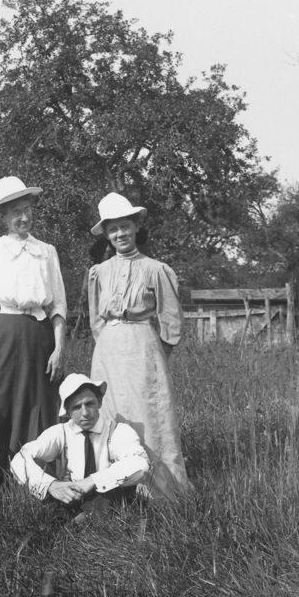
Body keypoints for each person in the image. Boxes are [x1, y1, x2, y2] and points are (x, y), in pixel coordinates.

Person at [0, 176, 67, 493]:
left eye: (27, 209)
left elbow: (58, 304)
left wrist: (59, 347)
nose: (23, 217)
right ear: (3, 217)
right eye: (15, 213)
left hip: (40, 338)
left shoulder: (47, 252)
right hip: (2, 337)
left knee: (39, 408)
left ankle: (38, 487)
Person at [87, 193, 192, 497]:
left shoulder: (156, 269)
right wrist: (109, 344)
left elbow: (171, 321)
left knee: (149, 418)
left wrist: (156, 355)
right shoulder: (99, 273)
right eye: (113, 229)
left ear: (135, 227)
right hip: (107, 353)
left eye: (125, 226)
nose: (120, 234)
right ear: (106, 234)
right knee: (108, 416)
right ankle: (112, 492)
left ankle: (161, 493)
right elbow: (97, 321)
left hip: (143, 348)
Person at [11, 374, 149, 511]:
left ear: (99, 402)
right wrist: (51, 485)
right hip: (73, 499)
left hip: (113, 500)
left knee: (108, 499)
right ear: (68, 411)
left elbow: (140, 464)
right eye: (77, 407)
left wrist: (92, 481)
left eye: (89, 404)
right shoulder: (62, 432)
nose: (85, 413)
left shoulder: (118, 431)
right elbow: (20, 458)